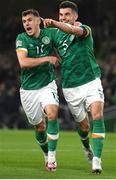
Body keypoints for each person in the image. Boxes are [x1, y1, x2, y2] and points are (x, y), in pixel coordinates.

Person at [43, 1, 105, 174]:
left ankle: (97, 161)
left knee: (98, 115)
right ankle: (87, 148)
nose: (63, 18)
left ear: (75, 16)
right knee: (84, 127)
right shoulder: (55, 36)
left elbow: (72, 30)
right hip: (70, 87)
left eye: (67, 15)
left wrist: (55, 23)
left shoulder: (85, 29)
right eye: (61, 15)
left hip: (91, 81)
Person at [15, 9, 60, 171]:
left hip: (47, 84)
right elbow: (23, 62)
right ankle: (47, 154)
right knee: (39, 126)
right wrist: (47, 58)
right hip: (28, 90)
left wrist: (73, 25)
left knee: (52, 114)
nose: (26, 23)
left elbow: (65, 35)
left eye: (29, 20)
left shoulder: (49, 34)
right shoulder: (21, 39)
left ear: (38, 21)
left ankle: (52, 159)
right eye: (24, 21)